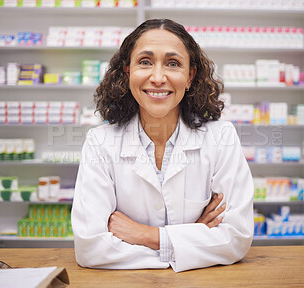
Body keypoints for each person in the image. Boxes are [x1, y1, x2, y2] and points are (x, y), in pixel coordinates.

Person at [71, 18, 254, 273]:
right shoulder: (100, 143)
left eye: (173, 63)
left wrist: (148, 236)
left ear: (190, 76)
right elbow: (90, 249)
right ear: (127, 72)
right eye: (145, 62)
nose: (157, 77)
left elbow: (236, 238)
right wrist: (192, 240)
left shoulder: (221, 137)